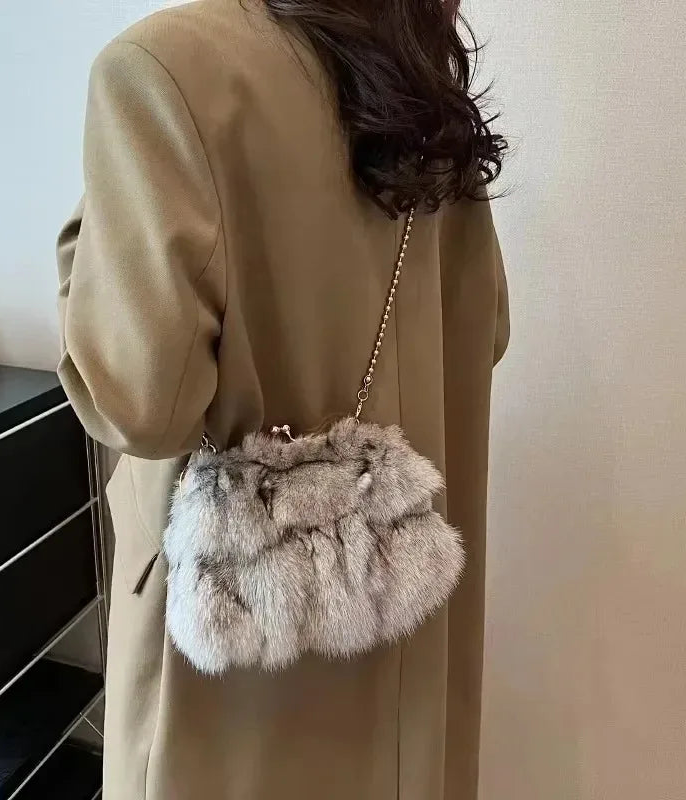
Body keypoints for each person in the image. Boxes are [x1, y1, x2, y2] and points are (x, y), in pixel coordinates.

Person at [56, 0, 509, 797]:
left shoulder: (160, 70)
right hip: (407, 610)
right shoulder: (417, 67)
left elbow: (139, 403)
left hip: (232, 661)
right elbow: (487, 328)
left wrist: (83, 251)